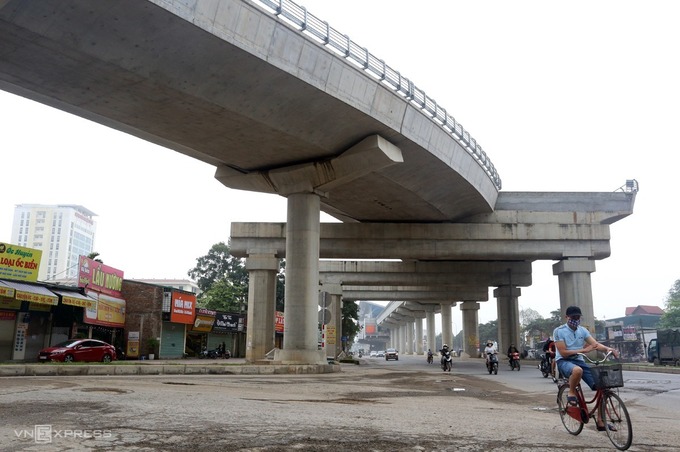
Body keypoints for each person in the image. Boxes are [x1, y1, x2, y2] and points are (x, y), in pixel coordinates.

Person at [553, 305, 619, 431]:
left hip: (579, 360)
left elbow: (594, 344)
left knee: (602, 385)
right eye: (573, 317)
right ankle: (571, 392)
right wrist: (583, 350)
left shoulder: (582, 330)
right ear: (567, 317)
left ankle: (600, 421)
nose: (576, 319)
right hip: (564, 361)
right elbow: (563, 353)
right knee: (578, 370)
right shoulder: (559, 331)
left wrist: (608, 349)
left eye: (578, 317)